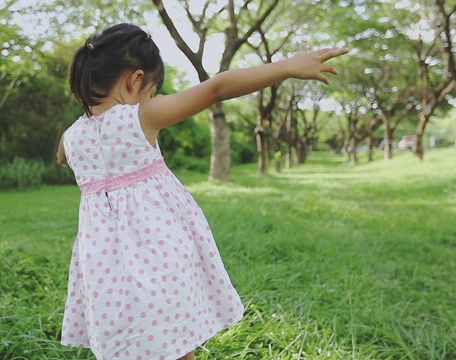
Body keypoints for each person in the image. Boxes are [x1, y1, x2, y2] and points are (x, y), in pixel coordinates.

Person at [57, 23, 348, 360]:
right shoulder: (139, 117)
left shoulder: (71, 136)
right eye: (152, 91)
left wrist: (68, 157)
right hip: (157, 252)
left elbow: (62, 153)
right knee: (176, 341)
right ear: (134, 81)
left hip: (105, 265)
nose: (151, 99)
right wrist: (287, 66)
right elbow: (216, 89)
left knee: (130, 336)